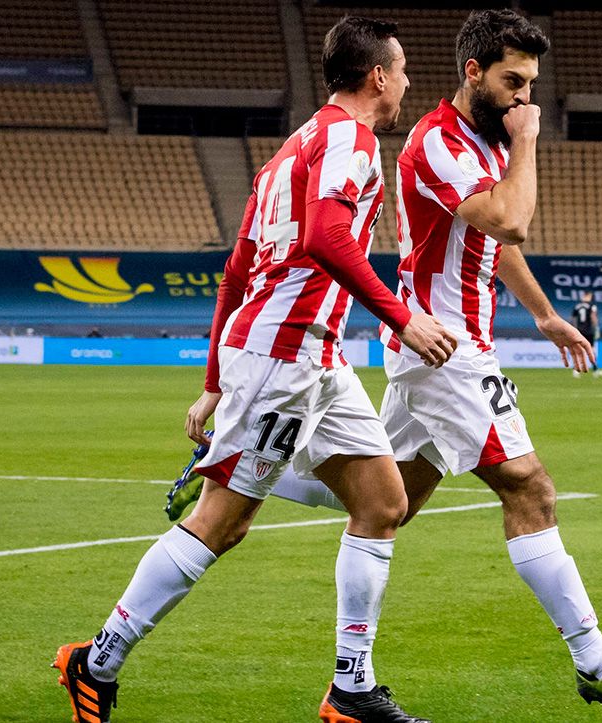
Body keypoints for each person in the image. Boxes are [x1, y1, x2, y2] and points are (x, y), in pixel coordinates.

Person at [279, 9, 602, 710]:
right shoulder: (437, 141)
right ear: (473, 72)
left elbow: (500, 243)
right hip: (448, 348)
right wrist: (528, 143)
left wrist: (545, 315)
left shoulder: (481, 140)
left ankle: (245, 470)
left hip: (439, 345)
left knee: (387, 503)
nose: (525, 98)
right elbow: (511, 219)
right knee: (530, 487)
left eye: (531, 84)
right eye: (513, 82)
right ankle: (595, 657)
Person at [53, 17, 453, 723]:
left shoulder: (288, 154)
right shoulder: (348, 141)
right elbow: (327, 237)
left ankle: (351, 689)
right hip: (283, 356)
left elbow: (237, 268)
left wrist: (213, 380)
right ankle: (97, 660)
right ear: (377, 77)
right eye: (403, 71)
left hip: (311, 355)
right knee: (222, 523)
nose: (408, 84)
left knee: (383, 503)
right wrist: (402, 319)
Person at [569, 291, 602, 378]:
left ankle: (576, 370)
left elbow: (573, 319)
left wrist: (574, 329)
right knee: (591, 349)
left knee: (579, 349)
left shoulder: (577, 306)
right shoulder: (592, 306)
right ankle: (595, 370)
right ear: (588, 296)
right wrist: (596, 328)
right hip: (589, 331)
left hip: (579, 331)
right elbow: (593, 317)